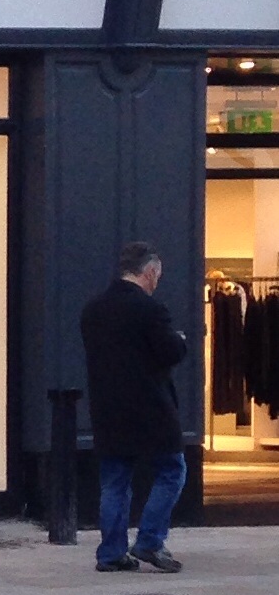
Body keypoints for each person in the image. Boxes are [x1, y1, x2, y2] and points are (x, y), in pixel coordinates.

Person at [80, 241, 189, 573]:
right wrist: (180, 340)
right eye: (158, 275)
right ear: (150, 271)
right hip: (152, 408)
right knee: (172, 470)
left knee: (115, 481)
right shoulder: (150, 310)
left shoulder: (93, 309)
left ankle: (111, 553)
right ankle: (150, 541)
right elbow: (170, 352)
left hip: (108, 408)